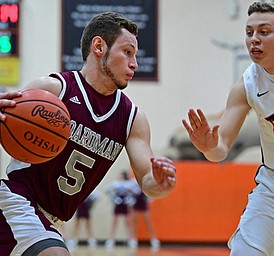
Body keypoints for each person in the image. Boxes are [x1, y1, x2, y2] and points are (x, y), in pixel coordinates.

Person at [0, 12, 176, 256]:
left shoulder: (132, 119)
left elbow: (148, 181)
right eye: (127, 52)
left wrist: (160, 183)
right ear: (99, 46)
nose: (135, 63)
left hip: (52, 220)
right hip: (17, 201)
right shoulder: (52, 90)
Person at [182, 2, 274, 256]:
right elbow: (220, 150)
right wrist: (209, 147)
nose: (254, 40)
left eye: (264, 32)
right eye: (249, 33)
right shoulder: (246, 85)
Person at [105, 171, 136, 248]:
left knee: (128, 222)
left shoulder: (129, 183)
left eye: (121, 175)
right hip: (118, 203)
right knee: (115, 222)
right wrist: (114, 198)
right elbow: (107, 190)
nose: (120, 176)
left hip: (125, 204)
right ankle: (111, 239)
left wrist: (130, 199)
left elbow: (135, 192)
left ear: (124, 176)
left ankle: (130, 239)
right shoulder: (116, 183)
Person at [129, 178, 160, 249]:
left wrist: (150, 199)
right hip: (136, 203)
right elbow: (130, 191)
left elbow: (151, 191)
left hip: (143, 203)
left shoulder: (147, 180)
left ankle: (153, 239)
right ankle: (133, 239)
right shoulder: (133, 182)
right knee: (134, 221)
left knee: (148, 221)